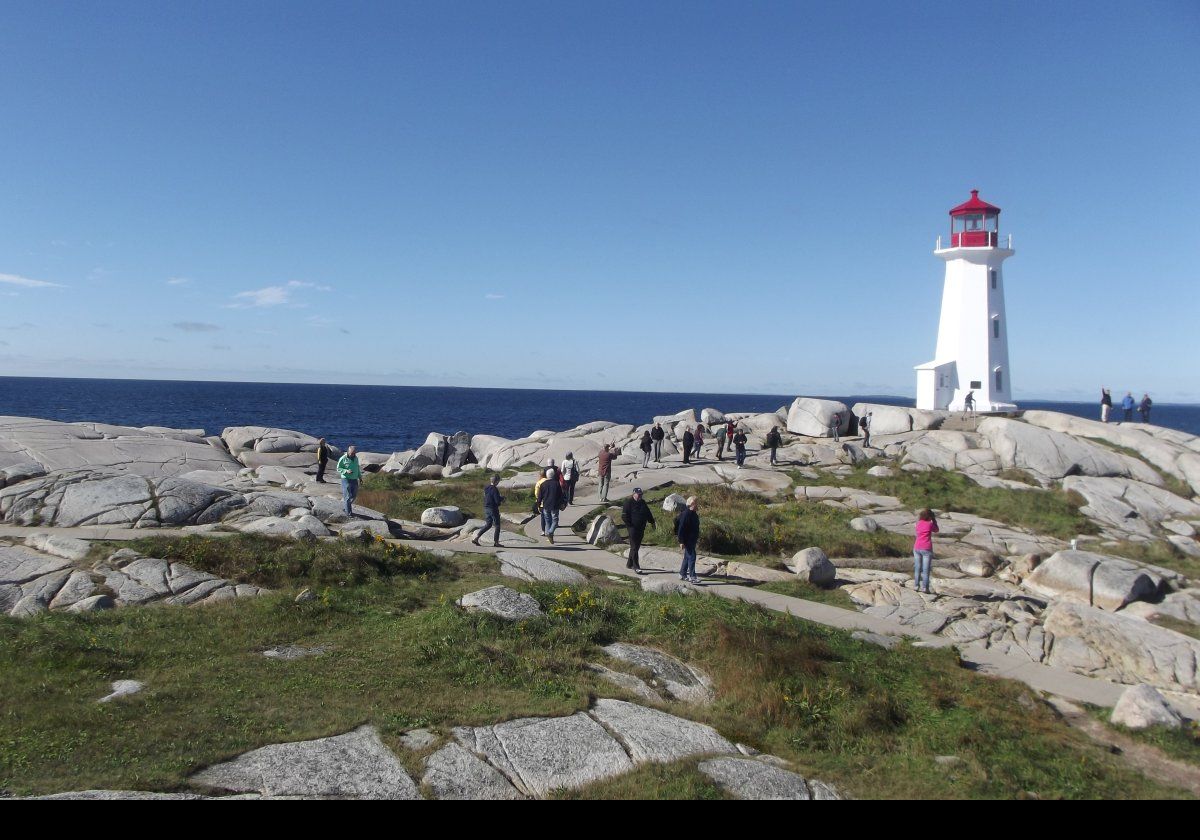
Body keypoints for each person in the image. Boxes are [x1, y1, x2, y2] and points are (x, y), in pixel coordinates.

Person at [621, 487, 656, 575]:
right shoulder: (628, 503)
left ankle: (629, 563)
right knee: (634, 547)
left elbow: (648, 513)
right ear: (634, 494)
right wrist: (630, 526)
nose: (640, 496)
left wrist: (652, 522)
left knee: (635, 547)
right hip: (632, 528)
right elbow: (624, 516)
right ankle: (636, 567)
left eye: (641, 494)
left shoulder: (643, 502)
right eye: (638, 494)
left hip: (641, 528)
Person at [471, 474, 504, 547]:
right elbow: (497, 501)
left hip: (486, 508)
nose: (498, 482)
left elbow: (486, 497)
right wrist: (502, 498)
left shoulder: (486, 488)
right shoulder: (495, 489)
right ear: (496, 481)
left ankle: (476, 538)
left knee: (488, 524)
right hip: (493, 509)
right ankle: (496, 542)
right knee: (497, 525)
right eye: (498, 481)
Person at [913, 508, 939, 595]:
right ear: (930, 516)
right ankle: (925, 588)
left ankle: (916, 586)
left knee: (917, 568)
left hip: (917, 547)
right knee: (926, 569)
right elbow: (936, 530)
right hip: (926, 548)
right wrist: (934, 520)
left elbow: (917, 527)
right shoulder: (930, 524)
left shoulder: (918, 523)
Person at [676, 496, 701, 584]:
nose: (698, 505)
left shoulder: (694, 514)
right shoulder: (686, 514)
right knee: (692, 557)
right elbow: (681, 528)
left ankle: (682, 574)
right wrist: (681, 541)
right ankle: (693, 577)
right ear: (692, 504)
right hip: (687, 539)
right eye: (696, 503)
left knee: (687, 557)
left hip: (693, 539)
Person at [537, 466, 565, 544]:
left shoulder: (543, 484)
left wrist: (538, 505)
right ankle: (550, 532)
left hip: (546, 505)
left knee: (548, 521)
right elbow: (561, 495)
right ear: (553, 475)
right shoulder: (557, 484)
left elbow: (540, 496)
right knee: (555, 521)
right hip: (554, 506)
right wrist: (562, 503)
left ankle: (549, 535)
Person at [336, 445, 362, 516]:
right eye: (351, 453)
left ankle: (346, 507)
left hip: (354, 479)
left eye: (354, 453)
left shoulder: (356, 458)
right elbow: (338, 468)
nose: (353, 455)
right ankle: (349, 513)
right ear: (348, 452)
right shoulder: (343, 458)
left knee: (354, 496)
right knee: (347, 496)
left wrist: (360, 477)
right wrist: (346, 471)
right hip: (346, 479)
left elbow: (357, 468)